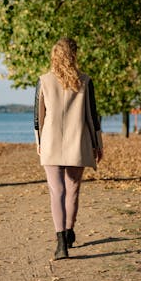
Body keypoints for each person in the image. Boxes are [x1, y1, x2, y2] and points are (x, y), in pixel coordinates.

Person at [34, 38, 103, 260]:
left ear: (54, 55)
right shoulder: (85, 81)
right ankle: (70, 231)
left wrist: (39, 143)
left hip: (51, 141)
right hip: (78, 141)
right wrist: (97, 144)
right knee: (72, 189)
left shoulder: (43, 81)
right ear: (74, 55)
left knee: (57, 191)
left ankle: (61, 242)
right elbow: (92, 117)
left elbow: (38, 118)